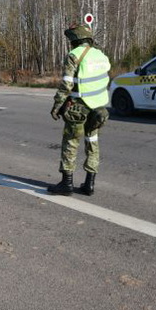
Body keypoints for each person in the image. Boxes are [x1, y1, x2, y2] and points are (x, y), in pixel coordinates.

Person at [48, 24, 111, 196]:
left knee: (70, 143)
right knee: (92, 142)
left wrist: (57, 105)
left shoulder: (74, 56)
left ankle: (66, 184)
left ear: (76, 41)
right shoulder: (101, 55)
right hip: (99, 108)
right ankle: (89, 184)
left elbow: (66, 84)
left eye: (71, 41)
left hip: (79, 107)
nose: (70, 44)